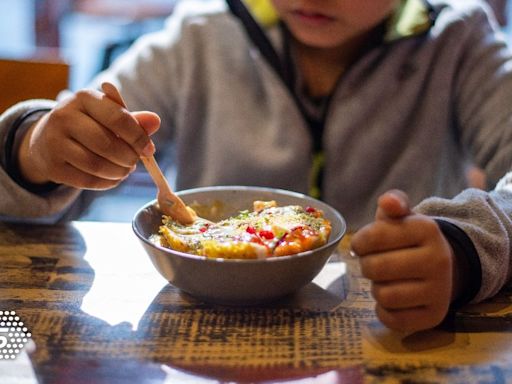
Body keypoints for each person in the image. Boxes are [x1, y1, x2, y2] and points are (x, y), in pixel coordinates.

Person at [1, 0, 512, 332]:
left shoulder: (459, 40)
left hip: (387, 333)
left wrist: (465, 250)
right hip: (195, 334)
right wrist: (36, 147)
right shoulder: (200, 35)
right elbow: (70, 136)